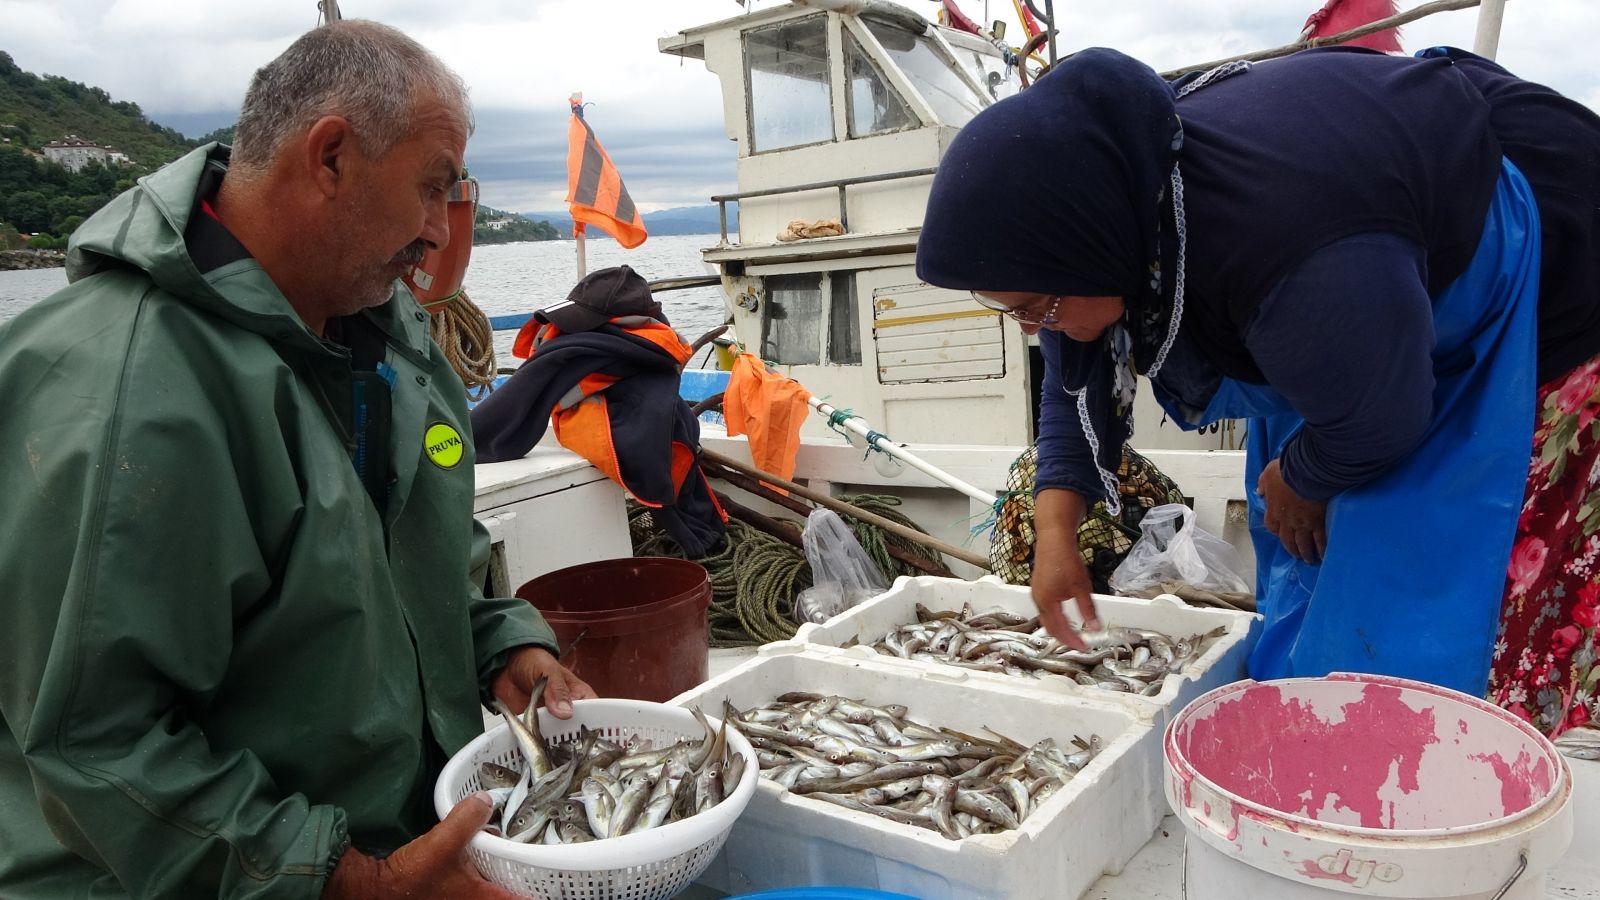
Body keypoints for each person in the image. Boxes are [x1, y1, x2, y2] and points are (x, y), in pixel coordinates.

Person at [0, 21, 595, 899]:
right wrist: (345, 882)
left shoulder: (388, 335)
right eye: (433, 188)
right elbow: (97, 745)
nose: (440, 233)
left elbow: (414, 558)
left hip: (385, 849)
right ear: (329, 158)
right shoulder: (125, 390)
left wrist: (500, 640)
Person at [916, 45, 1600, 737]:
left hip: (1528, 249)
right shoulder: (1108, 213)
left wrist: (1308, 471)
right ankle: (1294, 700)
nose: (1035, 331)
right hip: (1353, 305)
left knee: (1407, 574)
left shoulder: (1289, 250)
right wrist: (1054, 537)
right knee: (1298, 535)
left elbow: (1385, 419)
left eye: (1036, 308)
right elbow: (1074, 370)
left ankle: (1420, 744)